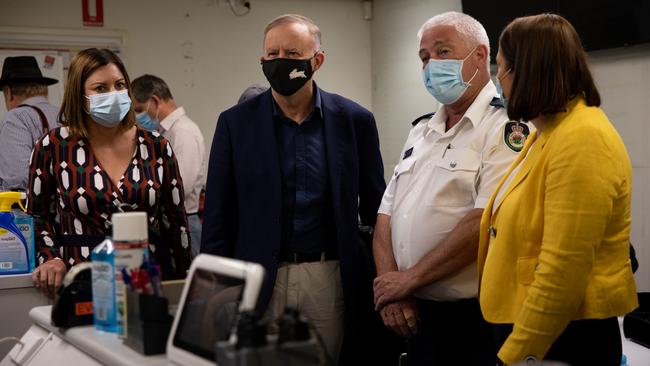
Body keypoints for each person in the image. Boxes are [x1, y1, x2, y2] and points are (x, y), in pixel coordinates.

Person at [201, 14, 385, 365]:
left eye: (291, 51)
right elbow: (218, 217)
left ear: (317, 60)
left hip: (326, 278)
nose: (280, 60)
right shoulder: (235, 124)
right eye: (272, 54)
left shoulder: (354, 120)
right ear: (262, 61)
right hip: (256, 278)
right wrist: (216, 290)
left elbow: (377, 206)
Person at [477, 13, 638, 366]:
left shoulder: (582, 138)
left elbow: (563, 270)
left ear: (527, 70)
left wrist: (520, 354)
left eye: (500, 69)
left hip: (562, 336)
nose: (498, 81)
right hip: (538, 325)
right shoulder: (548, 133)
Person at [372, 11, 531, 366]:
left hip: (474, 318)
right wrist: (391, 288)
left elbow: (485, 220)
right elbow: (386, 215)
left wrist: (408, 279)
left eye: (443, 52)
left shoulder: (508, 126)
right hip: (414, 312)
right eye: (425, 57)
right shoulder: (421, 130)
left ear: (479, 56)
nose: (431, 65)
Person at [28, 48, 192, 296]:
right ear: (79, 95)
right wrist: (50, 258)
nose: (113, 95)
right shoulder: (54, 146)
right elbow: (38, 217)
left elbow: (176, 225)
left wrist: (183, 289)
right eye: (100, 88)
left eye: (119, 85)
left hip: (145, 281)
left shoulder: (156, 146)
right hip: (82, 281)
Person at [131, 74, 206, 258]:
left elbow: (181, 187)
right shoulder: (165, 133)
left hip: (185, 223)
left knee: (187, 284)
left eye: (139, 109)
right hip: (171, 223)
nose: (137, 117)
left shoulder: (183, 132)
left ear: (155, 101)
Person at [0, 56, 59, 191]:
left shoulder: (16, 117)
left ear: (9, 92)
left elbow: (17, 179)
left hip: (29, 209)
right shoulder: (65, 115)